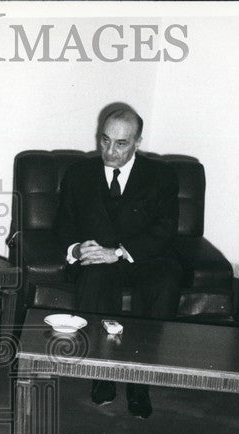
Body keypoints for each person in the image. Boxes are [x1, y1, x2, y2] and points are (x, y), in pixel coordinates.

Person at [56, 106, 182, 418]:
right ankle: (103, 374)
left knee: (165, 279)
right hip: (97, 258)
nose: (110, 151)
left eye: (121, 144)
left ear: (138, 142)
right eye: (105, 140)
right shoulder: (77, 174)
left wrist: (121, 251)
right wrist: (76, 248)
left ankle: (140, 381)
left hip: (141, 257)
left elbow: (165, 229)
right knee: (95, 278)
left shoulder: (161, 175)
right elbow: (63, 224)